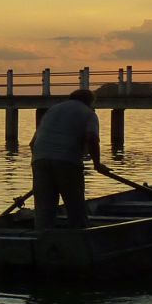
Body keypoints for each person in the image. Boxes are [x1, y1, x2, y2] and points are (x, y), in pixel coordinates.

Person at [29, 89, 102, 230]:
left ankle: (42, 238)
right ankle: (79, 237)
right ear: (90, 102)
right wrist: (97, 164)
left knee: (44, 208)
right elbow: (92, 139)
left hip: (39, 160)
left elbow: (32, 143)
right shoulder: (88, 113)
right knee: (75, 206)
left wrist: (43, 163)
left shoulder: (52, 110)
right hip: (67, 161)